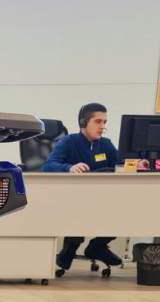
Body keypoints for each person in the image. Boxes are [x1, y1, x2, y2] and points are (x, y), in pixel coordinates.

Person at [43, 103, 123, 270]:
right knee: (79, 211)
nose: (102, 127)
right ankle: (69, 249)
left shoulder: (106, 144)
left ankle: (97, 247)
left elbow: (120, 165)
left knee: (123, 210)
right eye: (98, 121)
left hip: (101, 197)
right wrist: (69, 168)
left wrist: (136, 165)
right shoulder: (68, 142)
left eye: (105, 122)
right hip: (74, 198)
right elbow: (49, 165)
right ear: (83, 123)